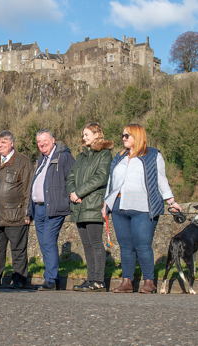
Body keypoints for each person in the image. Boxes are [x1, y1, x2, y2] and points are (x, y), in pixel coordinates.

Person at [103, 124, 183, 294]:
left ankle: (149, 282)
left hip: (143, 207)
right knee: (125, 247)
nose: (123, 138)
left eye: (127, 135)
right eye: (123, 135)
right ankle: (127, 281)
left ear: (137, 136)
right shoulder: (119, 157)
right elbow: (111, 181)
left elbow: (161, 180)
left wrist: (171, 201)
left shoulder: (153, 155)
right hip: (118, 206)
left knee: (143, 245)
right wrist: (106, 204)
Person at [0, 131, 33, 290]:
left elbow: (29, 189)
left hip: (15, 215)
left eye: (3, 142)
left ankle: (19, 279)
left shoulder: (23, 161)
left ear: (12, 143)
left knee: (18, 250)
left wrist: (27, 212)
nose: (0, 145)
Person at [66, 123, 113, 292]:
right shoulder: (81, 156)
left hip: (93, 203)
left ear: (97, 134)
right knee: (86, 245)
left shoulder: (105, 154)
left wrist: (79, 192)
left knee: (95, 243)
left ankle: (99, 280)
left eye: (87, 134)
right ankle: (91, 278)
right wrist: (72, 192)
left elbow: (101, 177)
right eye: (83, 135)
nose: (84, 137)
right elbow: (70, 176)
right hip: (79, 206)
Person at [28, 129, 75, 291]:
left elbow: (72, 178)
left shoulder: (63, 156)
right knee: (43, 244)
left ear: (53, 140)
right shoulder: (41, 159)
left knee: (48, 241)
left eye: (45, 141)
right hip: (39, 208)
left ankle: (51, 279)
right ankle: (53, 278)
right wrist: (30, 210)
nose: (42, 144)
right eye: (39, 142)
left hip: (55, 207)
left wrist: (68, 199)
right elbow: (35, 184)